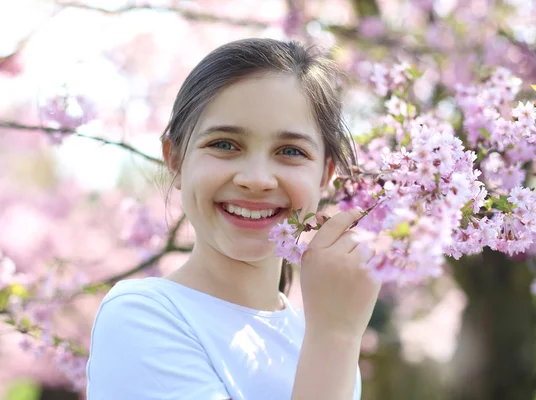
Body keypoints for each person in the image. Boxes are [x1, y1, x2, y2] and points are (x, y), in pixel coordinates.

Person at [85, 38, 381, 400]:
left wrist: (335, 335)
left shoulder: (323, 337)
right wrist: (334, 337)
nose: (256, 179)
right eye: (224, 144)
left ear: (325, 175)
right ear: (175, 160)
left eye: (290, 151)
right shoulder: (140, 317)